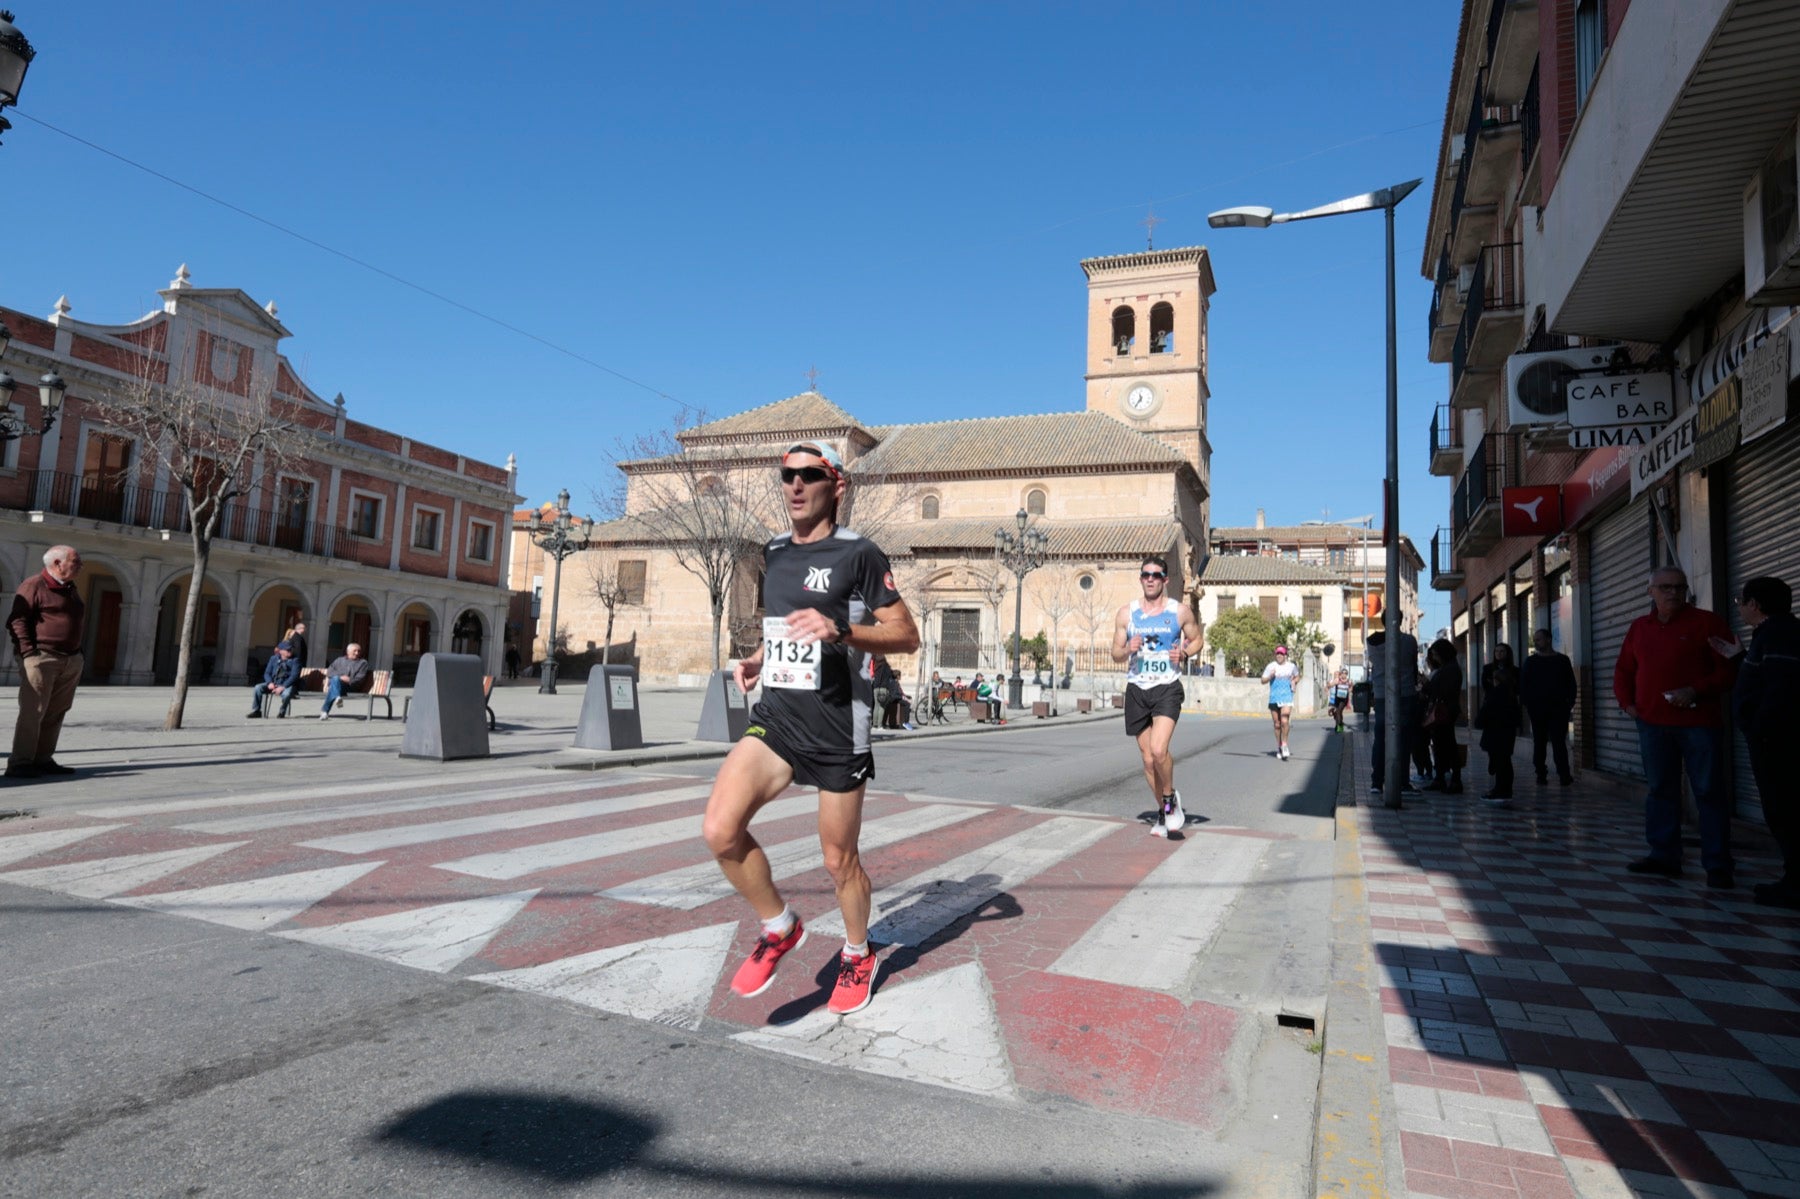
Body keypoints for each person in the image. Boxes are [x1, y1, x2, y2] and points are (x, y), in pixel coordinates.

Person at [701, 442, 918, 1017]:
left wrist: (842, 632)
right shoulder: (774, 551)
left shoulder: (859, 554)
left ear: (835, 485)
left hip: (838, 726)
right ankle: (779, 927)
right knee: (721, 829)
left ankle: (857, 953)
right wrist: (757, 658)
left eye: (808, 475)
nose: (794, 485)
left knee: (838, 860)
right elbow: (785, 630)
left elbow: (906, 634)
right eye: (786, 476)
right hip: (778, 716)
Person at [1613, 566, 1737, 888]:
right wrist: (1628, 705)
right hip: (1652, 725)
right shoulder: (1640, 628)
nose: (1673, 593)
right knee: (1660, 791)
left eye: (1679, 587)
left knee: (1709, 792)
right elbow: (1624, 670)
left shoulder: (1707, 623)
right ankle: (1664, 855)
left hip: (1699, 725)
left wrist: (1695, 690)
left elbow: (1730, 671)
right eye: (1665, 587)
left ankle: (1718, 865)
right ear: (1650, 591)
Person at [1710, 576, 1800, 909]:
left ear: (1755, 605)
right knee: (1783, 810)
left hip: (1778, 743)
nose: (1741, 608)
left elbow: (1782, 690)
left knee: (1785, 810)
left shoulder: (1778, 636)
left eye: (1741, 602)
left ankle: (1795, 884)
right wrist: (1739, 657)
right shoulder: (1775, 635)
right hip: (1774, 739)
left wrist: (1760, 729)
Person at [1111, 554, 1203, 836]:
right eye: (1145, 575)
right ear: (1141, 579)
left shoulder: (1180, 611)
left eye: (1155, 575)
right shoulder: (1127, 614)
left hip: (1167, 687)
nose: (1150, 579)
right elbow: (1115, 653)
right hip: (1138, 688)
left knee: (1159, 750)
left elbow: (1197, 638)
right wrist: (1128, 649)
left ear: (1165, 580)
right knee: (1148, 760)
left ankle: (1168, 799)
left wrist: (1184, 652)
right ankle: (1165, 813)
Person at [6, 545, 86, 780]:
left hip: (70, 658)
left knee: (57, 711)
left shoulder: (70, 588)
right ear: (57, 564)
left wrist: (78, 653)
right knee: (34, 711)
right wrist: (28, 653)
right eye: (75, 561)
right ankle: (20, 763)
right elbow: (17, 620)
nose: (80, 565)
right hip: (42, 658)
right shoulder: (33, 585)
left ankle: (42, 759)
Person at [1367, 615, 1422, 804]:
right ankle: (1403, 781)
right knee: (1404, 739)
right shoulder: (1409, 641)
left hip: (1382, 694)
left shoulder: (1372, 641)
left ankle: (1376, 781)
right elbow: (1413, 667)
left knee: (1381, 736)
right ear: (1401, 620)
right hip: (1406, 693)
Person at [1521, 628, 1577, 786]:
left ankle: (1564, 775)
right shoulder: (1531, 662)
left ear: (1549, 639)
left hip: (1559, 709)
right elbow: (1524, 685)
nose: (1536, 643)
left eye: (1539, 639)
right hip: (1537, 709)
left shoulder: (1562, 660)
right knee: (1539, 742)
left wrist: (1569, 703)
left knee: (1559, 742)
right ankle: (1540, 773)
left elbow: (1571, 683)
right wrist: (1529, 705)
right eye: (1535, 640)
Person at [1477, 643, 1522, 804]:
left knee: (1503, 755)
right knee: (1496, 752)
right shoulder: (1487, 669)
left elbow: (1518, 689)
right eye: (1496, 651)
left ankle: (1503, 789)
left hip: (1505, 718)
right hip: (1493, 717)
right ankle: (1500, 786)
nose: (1499, 654)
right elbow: (1486, 687)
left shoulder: (1515, 672)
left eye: (1502, 651)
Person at [1419, 638, 1463, 794]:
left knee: (1447, 744)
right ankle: (1440, 778)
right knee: (1439, 744)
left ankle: (1454, 780)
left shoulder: (1450, 669)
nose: (1435, 658)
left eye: (1437, 654)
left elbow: (1440, 690)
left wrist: (1426, 684)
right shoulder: (1448, 668)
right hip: (1444, 710)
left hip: (1445, 711)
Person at [1261, 646, 1299, 759]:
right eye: (1277, 653)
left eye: (1281, 654)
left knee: (1284, 720)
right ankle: (1279, 746)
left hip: (1287, 697)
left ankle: (1285, 744)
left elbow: (1297, 676)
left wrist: (1294, 681)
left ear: (1285, 655)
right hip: (1274, 698)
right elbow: (1262, 680)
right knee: (1277, 724)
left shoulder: (1291, 666)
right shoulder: (1271, 666)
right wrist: (1270, 676)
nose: (1279, 655)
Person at [248, 642, 302, 718]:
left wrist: (283, 687)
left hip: (287, 685)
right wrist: (270, 683)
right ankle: (257, 711)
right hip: (274, 683)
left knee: (286, 694)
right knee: (258, 688)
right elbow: (267, 673)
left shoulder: (295, 660)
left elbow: (294, 676)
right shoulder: (274, 658)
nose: (290, 651)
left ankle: (282, 712)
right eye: (288, 649)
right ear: (281, 651)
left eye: (291, 649)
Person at [318, 642, 371, 719]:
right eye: (355, 651)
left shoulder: (363, 663)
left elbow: (359, 678)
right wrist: (342, 677)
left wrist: (349, 680)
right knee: (335, 680)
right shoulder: (339, 660)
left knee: (333, 684)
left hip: (351, 687)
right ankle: (336, 699)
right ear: (348, 651)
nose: (357, 653)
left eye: (359, 651)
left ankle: (325, 710)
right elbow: (330, 672)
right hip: (339, 686)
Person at [1327, 668, 1352, 734]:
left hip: (1344, 700)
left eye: (1345, 673)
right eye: (1342, 673)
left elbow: (1351, 687)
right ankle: (1338, 725)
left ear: (1347, 674)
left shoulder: (1349, 681)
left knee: (1338, 711)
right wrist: (1328, 685)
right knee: (1338, 713)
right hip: (1337, 699)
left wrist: (1349, 690)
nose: (1344, 675)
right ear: (1341, 674)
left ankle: (1340, 726)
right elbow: (1331, 685)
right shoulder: (1338, 680)